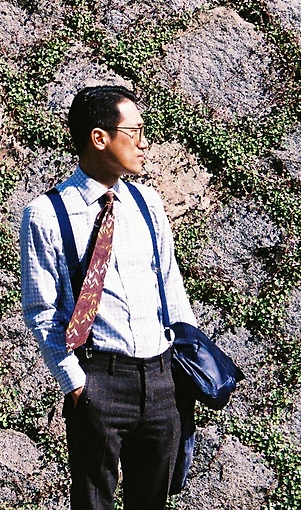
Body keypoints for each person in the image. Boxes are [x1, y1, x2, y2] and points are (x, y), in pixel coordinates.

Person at [20, 85, 195, 510]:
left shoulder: (147, 201)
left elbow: (169, 282)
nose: (144, 143)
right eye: (134, 132)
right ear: (99, 138)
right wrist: (76, 383)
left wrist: (186, 360)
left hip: (161, 379)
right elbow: (42, 310)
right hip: (99, 379)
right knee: (92, 502)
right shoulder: (46, 214)